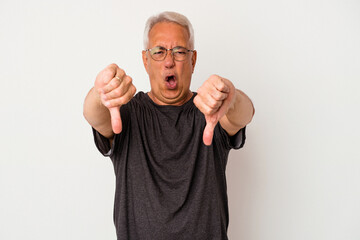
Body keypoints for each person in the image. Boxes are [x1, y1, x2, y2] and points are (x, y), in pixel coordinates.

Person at [83, 11, 254, 240]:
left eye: (180, 52)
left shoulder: (211, 111)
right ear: (146, 60)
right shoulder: (128, 114)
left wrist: (231, 98)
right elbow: (94, 114)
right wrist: (99, 94)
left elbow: (243, 114)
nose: (169, 61)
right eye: (159, 52)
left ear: (193, 60)